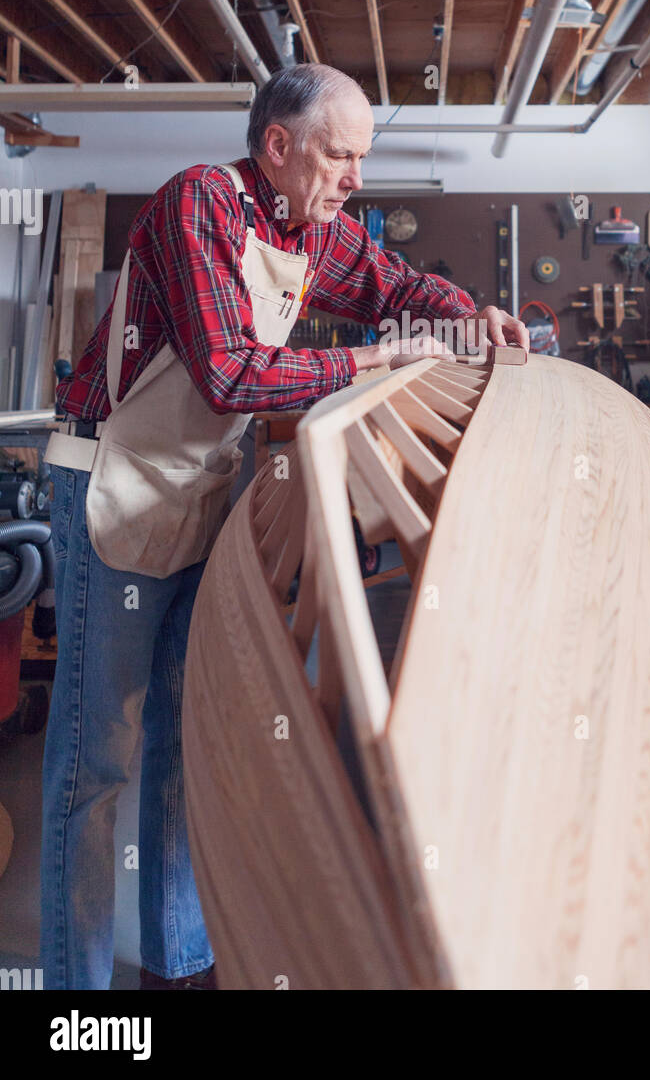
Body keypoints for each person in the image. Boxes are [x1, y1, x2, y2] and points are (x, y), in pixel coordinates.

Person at [41, 63, 529, 990]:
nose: (355, 179)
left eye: (361, 159)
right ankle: (77, 994)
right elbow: (230, 375)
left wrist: (473, 318)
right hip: (113, 482)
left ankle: (179, 966)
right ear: (279, 145)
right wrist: (375, 358)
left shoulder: (315, 230)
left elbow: (399, 285)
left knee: (186, 736)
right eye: (341, 155)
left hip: (199, 484)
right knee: (94, 759)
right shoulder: (201, 207)